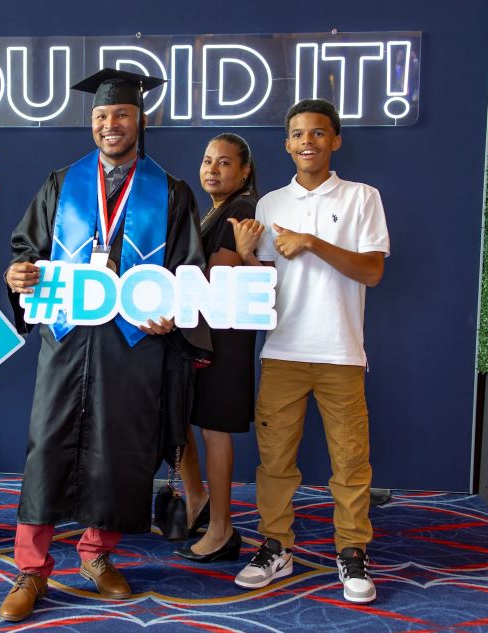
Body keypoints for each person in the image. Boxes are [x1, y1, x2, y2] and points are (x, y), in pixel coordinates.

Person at [0, 68, 210, 623]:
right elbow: (27, 248)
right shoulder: (60, 183)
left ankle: (96, 556)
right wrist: (19, 274)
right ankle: (31, 569)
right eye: (100, 117)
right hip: (67, 340)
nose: (109, 125)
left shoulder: (170, 191)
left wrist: (174, 313)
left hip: (132, 345)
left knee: (121, 447)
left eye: (119, 115)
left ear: (140, 119)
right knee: (46, 447)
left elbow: (188, 267)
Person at [228, 99, 389, 603]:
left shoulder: (363, 197)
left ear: (334, 140)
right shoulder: (270, 204)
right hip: (282, 351)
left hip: (342, 352)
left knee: (350, 463)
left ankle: (353, 553)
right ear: (287, 143)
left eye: (317, 133)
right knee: (274, 461)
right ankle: (276, 546)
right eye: (297, 134)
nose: (307, 142)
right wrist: (249, 256)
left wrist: (314, 242)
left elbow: (372, 272)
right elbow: (267, 284)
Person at [172, 133, 258, 563]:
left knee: (214, 432)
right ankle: (197, 499)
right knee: (184, 419)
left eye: (225, 163)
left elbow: (215, 279)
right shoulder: (215, 211)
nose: (212, 169)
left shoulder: (241, 208)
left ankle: (223, 528)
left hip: (223, 338)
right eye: (208, 160)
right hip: (201, 335)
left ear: (244, 171)